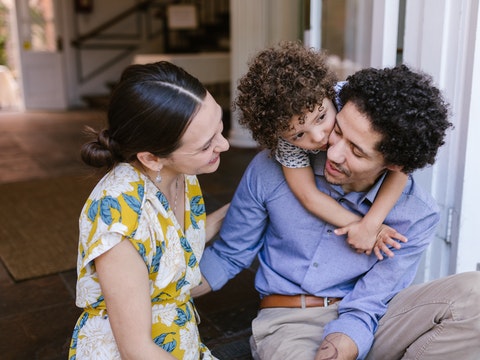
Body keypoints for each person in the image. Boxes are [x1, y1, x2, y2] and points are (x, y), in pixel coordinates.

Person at [195, 62, 480, 359]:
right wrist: (153, 294)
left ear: (394, 164)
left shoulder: (416, 213)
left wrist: (343, 343)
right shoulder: (271, 168)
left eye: (356, 151)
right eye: (338, 131)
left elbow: (368, 304)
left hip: (372, 320)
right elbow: (229, 254)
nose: (330, 150)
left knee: (474, 296)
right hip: (290, 322)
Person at [69, 61, 230, 360]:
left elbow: (171, 246)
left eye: (221, 126)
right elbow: (137, 350)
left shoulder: (182, 172)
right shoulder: (118, 217)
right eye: (207, 145)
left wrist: (242, 209)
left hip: (178, 340)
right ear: (152, 158)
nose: (225, 144)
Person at [235, 41, 407, 259]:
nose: (318, 137)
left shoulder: (349, 100)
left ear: (328, 91)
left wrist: (373, 221)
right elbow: (309, 196)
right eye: (299, 135)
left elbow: (402, 166)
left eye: (322, 117)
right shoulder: (286, 144)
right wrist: (362, 227)